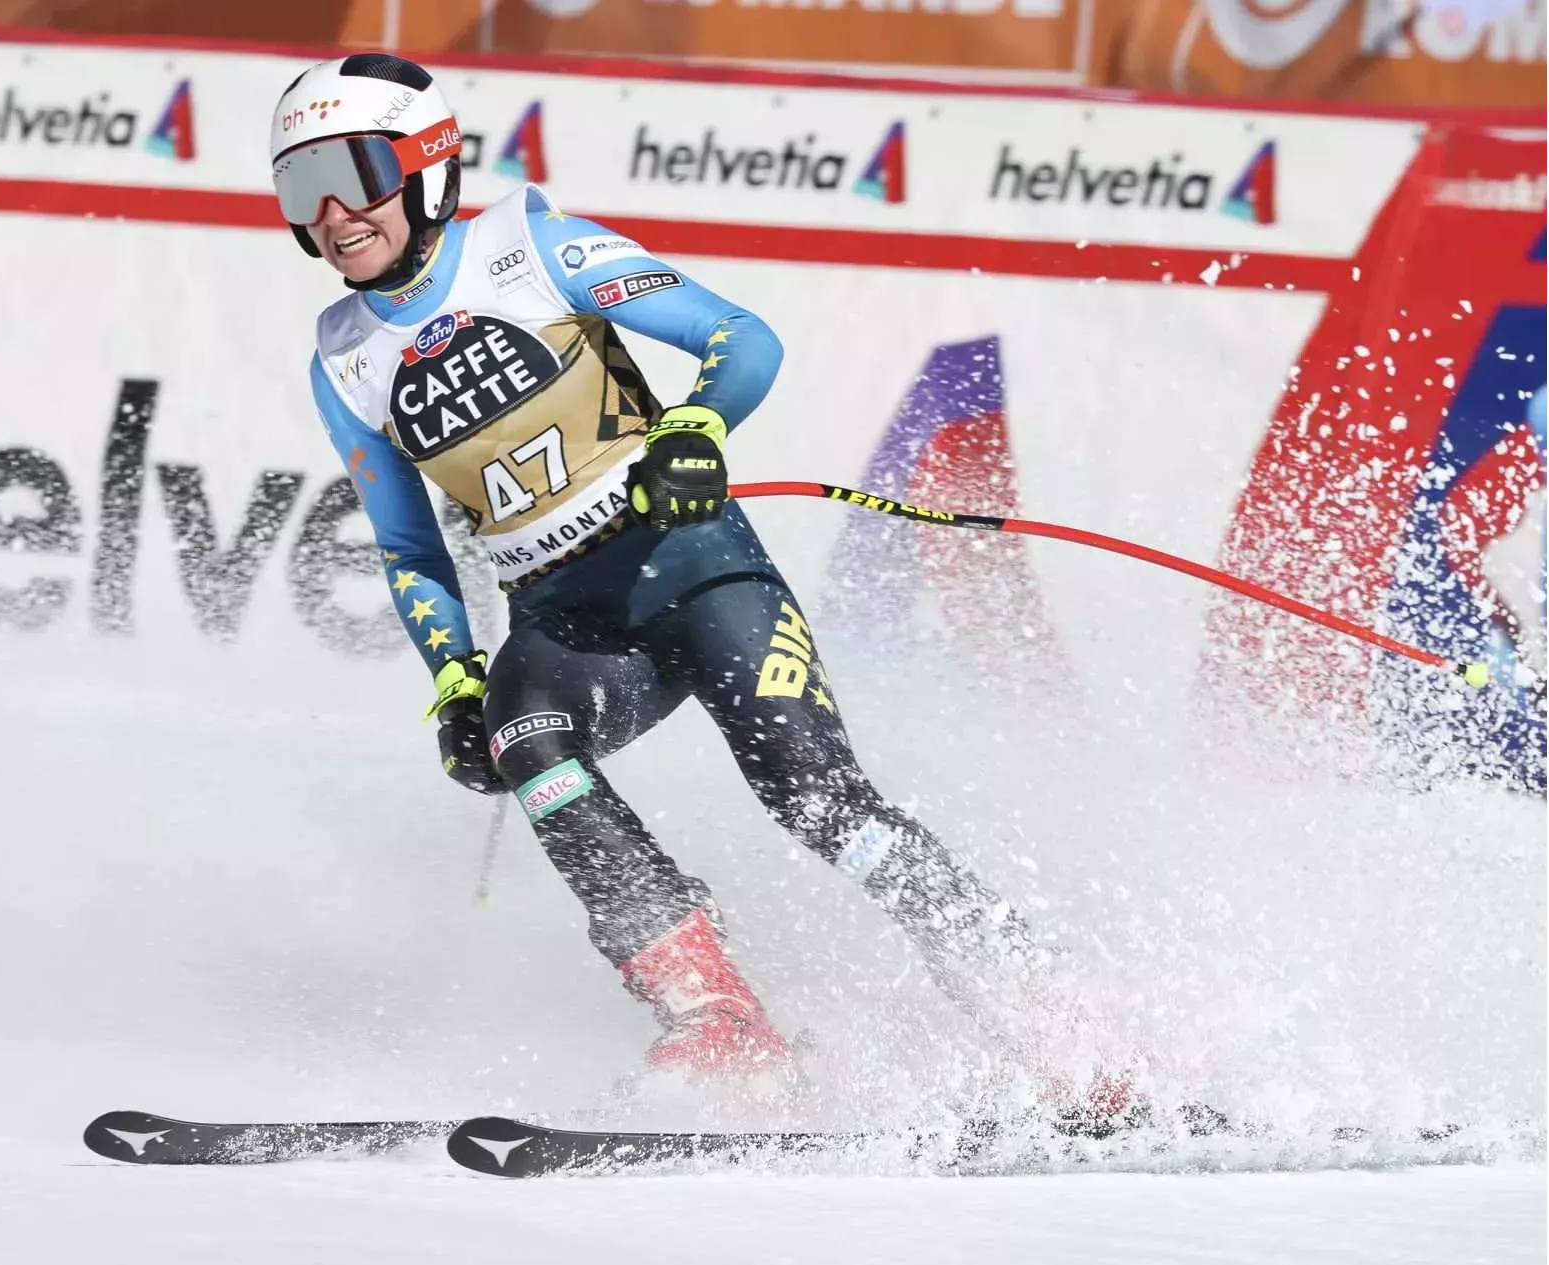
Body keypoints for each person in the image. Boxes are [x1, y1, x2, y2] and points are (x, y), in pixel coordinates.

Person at [272, 54, 1105, 1099]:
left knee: (817, 799)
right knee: (528, 741)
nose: (334, 214)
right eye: (301, 187)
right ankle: (716, 1019)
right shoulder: (342, 359)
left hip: (696, 571)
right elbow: (409, 551)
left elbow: (738, 337)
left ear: (427, 165)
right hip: (567, 620)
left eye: (353, 174)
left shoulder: (532, 249)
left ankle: (1043, 1005)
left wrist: (697, 423)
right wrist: (452, 677)